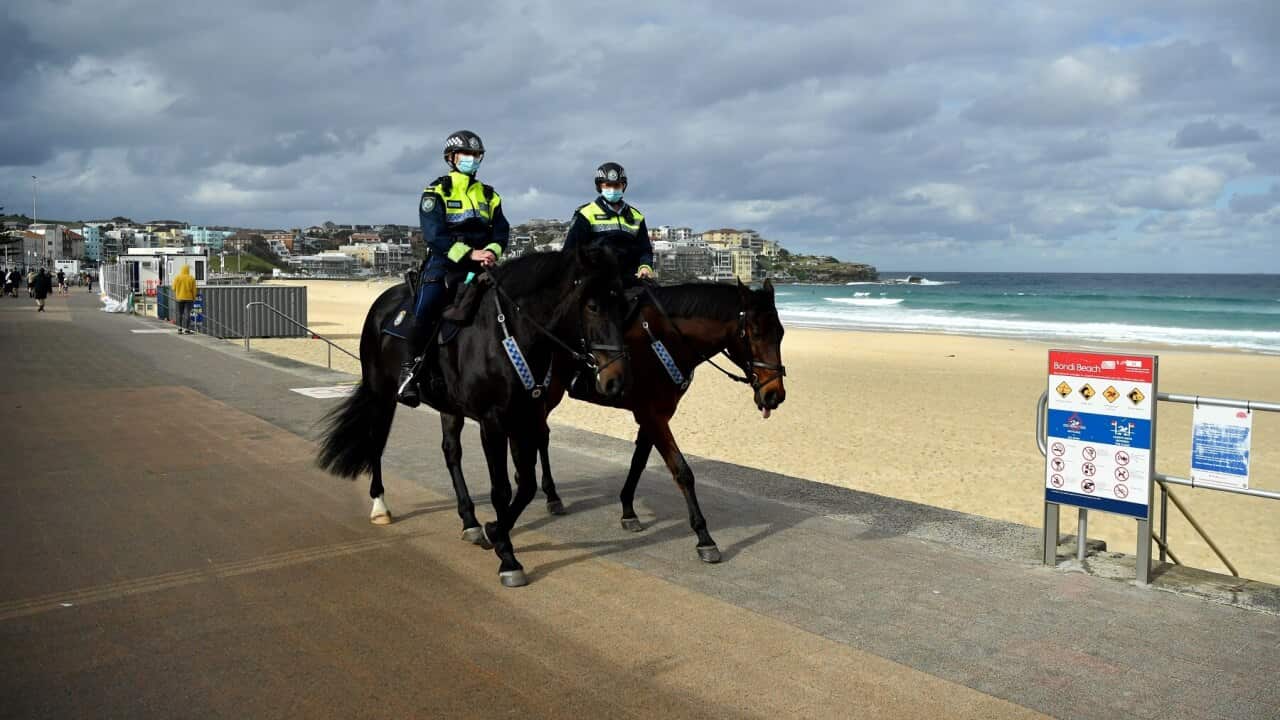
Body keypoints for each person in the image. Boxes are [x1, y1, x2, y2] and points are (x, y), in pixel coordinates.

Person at [397, 129, 510, 406]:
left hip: (483, 264)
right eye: (466, 154)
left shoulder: (489, 195)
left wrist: (490, 254)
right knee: (426, 308)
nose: (472, 159)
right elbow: (434, 235)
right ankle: (409, 372)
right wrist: (470, 254)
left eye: (476, 155)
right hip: (445, 264)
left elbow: (502, 232)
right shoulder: (435, 191)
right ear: (451, 157)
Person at [562, 162, 654, 284]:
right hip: (597, 282)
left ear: (623, 186)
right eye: (608, 185)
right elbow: (570, 250)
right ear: (600, 186)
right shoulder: (585, 214)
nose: (613, 189)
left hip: (631, 279)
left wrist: (645, 266)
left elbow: (645, 249)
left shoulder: (637, 216)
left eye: (617, 185)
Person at [171, 265, 197, 334]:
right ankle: (187, 329)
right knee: (188, 313)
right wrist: (194, 297)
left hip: (179, 298)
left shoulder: (177, 278)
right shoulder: (191, 278)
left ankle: (179, 329)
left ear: (181, 270)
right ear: (188, 270)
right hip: (189, 298)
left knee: (180, 313)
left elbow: (173, 288)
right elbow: (194, 290)